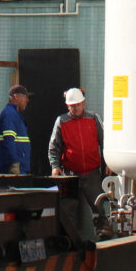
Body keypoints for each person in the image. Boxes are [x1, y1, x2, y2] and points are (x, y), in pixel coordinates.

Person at [48, 87, 106, 245]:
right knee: (68, 211)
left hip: (92, 173)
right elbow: (54, 147)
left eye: (78, 105)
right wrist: (55, 166)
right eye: (72, 106)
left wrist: (108, 163)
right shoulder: (61, 121)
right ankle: (69, 243)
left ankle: (104, 240)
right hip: (70, 175)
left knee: (99, 207)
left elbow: (105, 143)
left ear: (83, 103)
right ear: (68, 106)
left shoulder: (93, 118)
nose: (76, 108)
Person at [0, 84, 32, 175]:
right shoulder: (9, 114)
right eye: (25, 97)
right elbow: (9, 140)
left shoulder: (15, 114)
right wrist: (14, 163)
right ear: (16, 96)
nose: (27, 100)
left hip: (20, 168)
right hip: (12, 170)